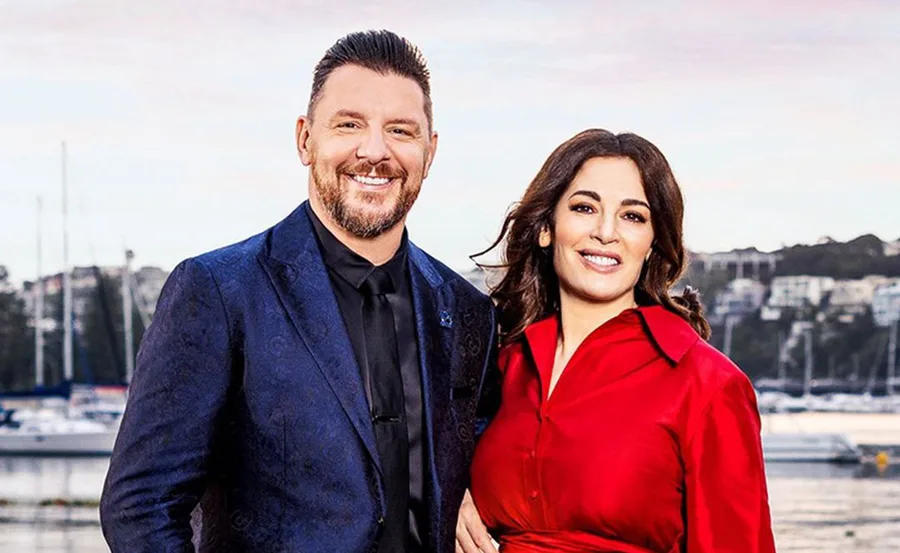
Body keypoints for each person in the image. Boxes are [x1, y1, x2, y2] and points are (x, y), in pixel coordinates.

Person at [100, 30, 498, 553]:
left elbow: (485, 460)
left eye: (400, 130)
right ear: (305, 139)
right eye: (349, 124)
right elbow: (139, 506)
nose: (374, 151)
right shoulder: (219, 291)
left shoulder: (466, 310)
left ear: (431, 150)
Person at [456, 129, 776, 553]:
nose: (606, 232)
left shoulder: (708, 385)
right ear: (546, 229)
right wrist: (451, 498)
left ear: (652, 244)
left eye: (632, 216)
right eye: (585, 208)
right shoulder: (503, 364)